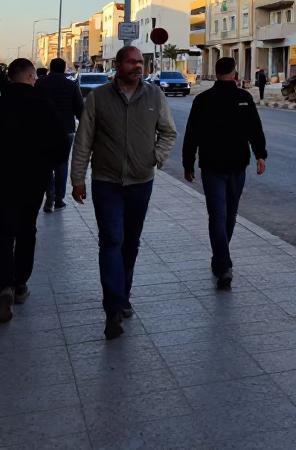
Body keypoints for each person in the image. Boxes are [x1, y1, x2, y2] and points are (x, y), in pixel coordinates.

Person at [71, 46, 177, 339]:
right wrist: (77, 178)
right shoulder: (98, 98)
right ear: (117, 65)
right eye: (131, 62)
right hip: (106, 182)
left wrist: (156, 157)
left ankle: (124, 294)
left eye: (140, 62)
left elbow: (168, 132)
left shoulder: (154, 95)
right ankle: (113, 307)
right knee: (110, 241)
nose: (137, 66)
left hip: (141, 182)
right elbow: (83, 142)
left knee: (130, 243)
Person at [0, 58, 64, 322]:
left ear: (9, 78)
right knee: (26, 230)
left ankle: (4, 285)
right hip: (33, 182)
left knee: (3, 233)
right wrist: (47, 166)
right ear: (32, 77)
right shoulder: (44, 107)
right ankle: (20, 285)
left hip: (1, 181)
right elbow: (62, 145)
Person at [182, 56, 267, 291]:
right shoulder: (243, 97)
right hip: (238, 166)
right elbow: (255, 129)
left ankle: (222, 264)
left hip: (211, 167)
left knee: (217, 216)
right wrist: (260, 155)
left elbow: (192, 134)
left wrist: (188, 164)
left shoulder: (203, 99)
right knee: (229, 214)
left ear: (216, 73)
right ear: (234, 73)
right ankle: (222, 263)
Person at [35, 57, 83, 212]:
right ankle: (58, 198)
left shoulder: (40, 84)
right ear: (63, 69)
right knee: (62, 165)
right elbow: (79, 109)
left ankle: (49, 193)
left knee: (45, 164)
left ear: (50, 68)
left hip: (43, 130)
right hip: (66, 130)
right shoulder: (71, 86)